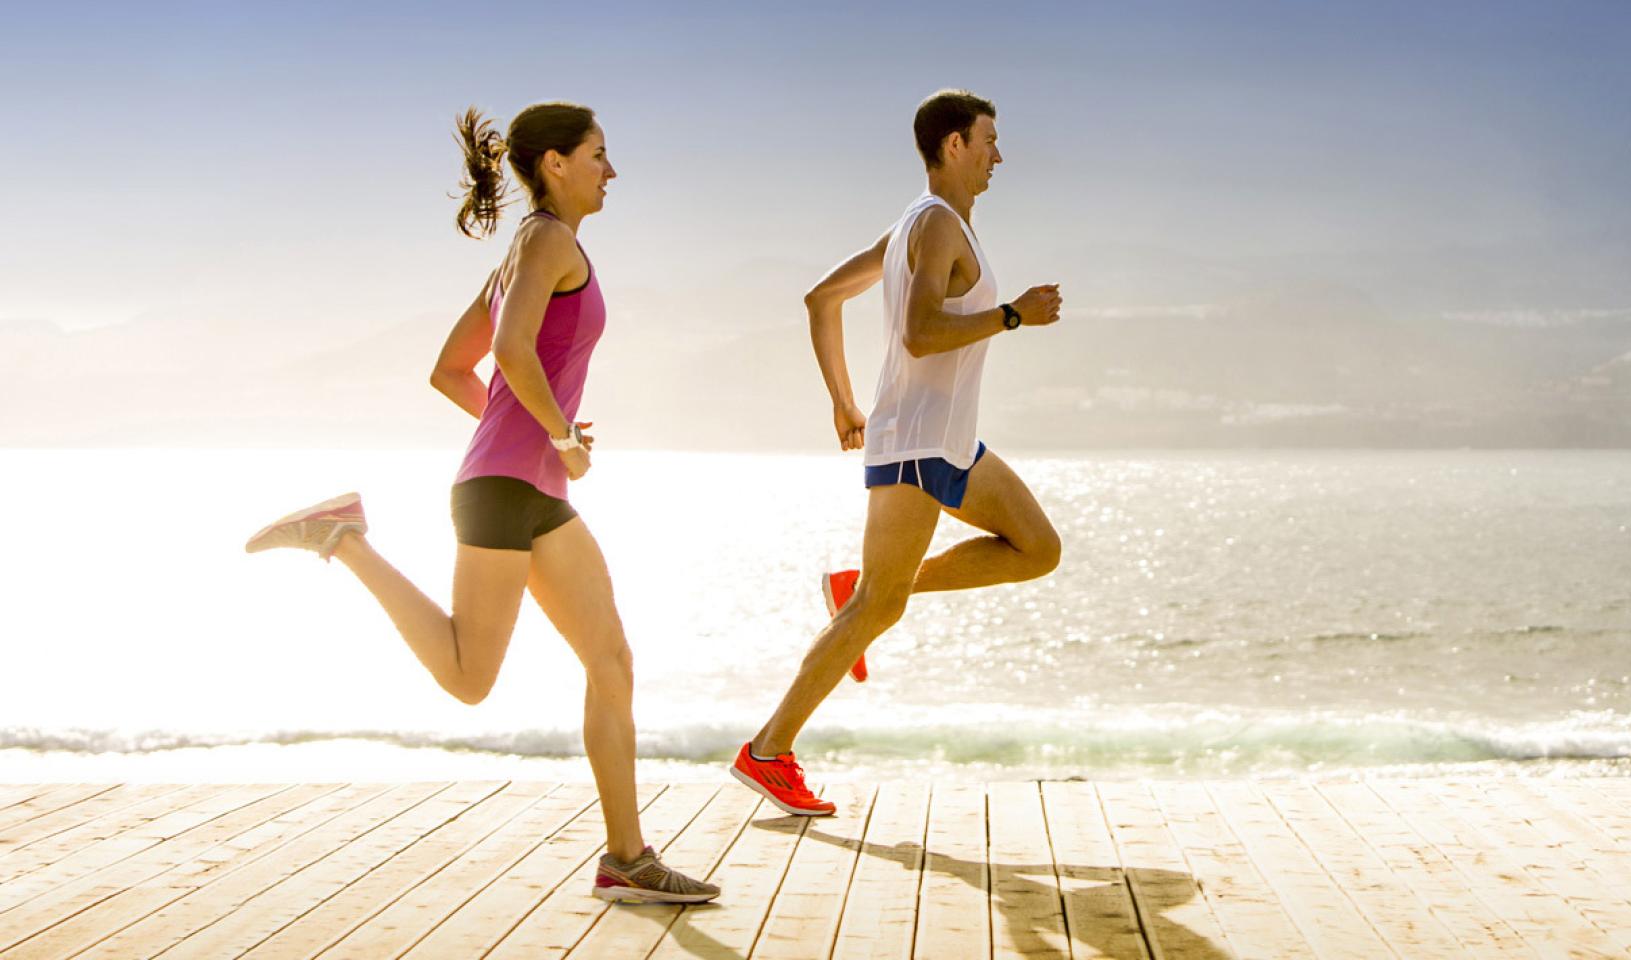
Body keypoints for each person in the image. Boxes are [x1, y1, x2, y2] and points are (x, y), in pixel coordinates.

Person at [245, 102, 718, 903]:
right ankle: (345, 538)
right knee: (470, 678)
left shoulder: (523, 254)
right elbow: (503, 353)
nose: (612, 170)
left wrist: (544, 430)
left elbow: (452, 373)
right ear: (556, 164)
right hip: (505, 487)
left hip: (528, 486)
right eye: (600, 154)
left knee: (612, 660)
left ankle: (626, 858)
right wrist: (560, 433)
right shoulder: (546, 241)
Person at [731, 90, 1064, 815]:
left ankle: (860, 587)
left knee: (1037, 548)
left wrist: (843, 401)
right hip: (916, 443)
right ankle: (766, 751)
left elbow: (822, 299)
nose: (998, 156)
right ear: (953, 146)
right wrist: (1014, 316)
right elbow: (917, 333)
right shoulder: (936, 224)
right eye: (989, 141)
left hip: (947, 439)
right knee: (878, 609)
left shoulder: (918, 226)